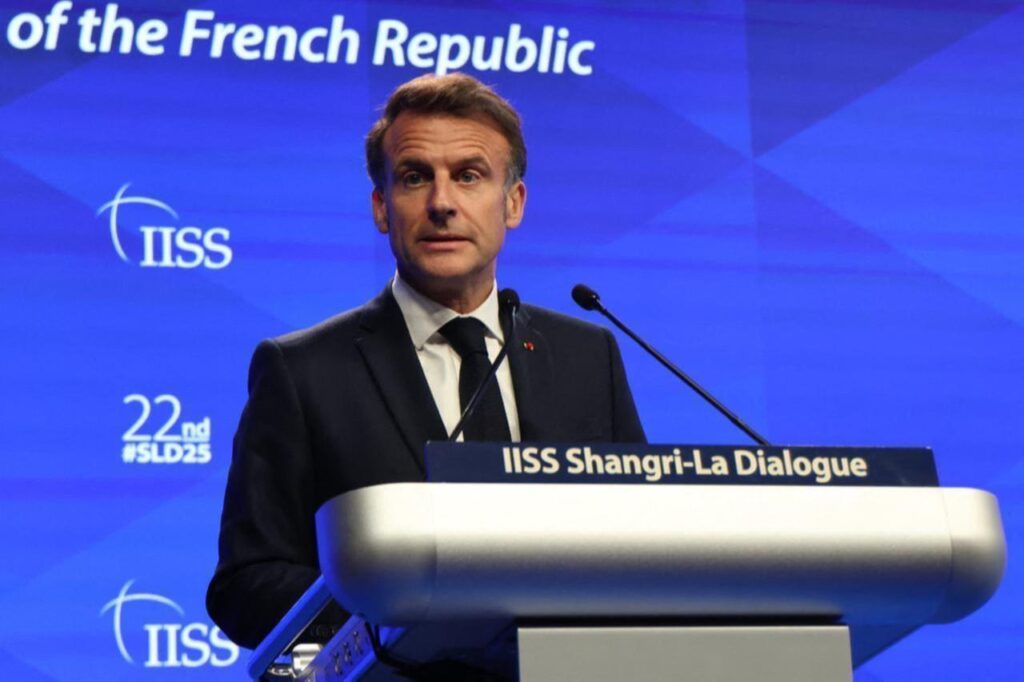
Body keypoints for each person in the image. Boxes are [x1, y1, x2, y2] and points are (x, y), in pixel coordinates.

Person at [207, 73, 646, 649]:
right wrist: (393, 616)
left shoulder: (588, 356)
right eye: (415, 178)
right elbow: (245, 586)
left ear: (513, 203)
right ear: (381, 207)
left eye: (469, 175)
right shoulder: (303, 372)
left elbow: (641, 544)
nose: (442, 204)